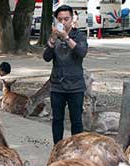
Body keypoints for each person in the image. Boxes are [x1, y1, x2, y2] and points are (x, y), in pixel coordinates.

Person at [43, 4, 88, 144]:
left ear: (71, 19)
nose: (63, 22)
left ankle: (77, 149)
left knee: (76, 121)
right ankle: (57, 148)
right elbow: (46, 57)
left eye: (66, 19)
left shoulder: (79, 35)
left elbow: (81, 52)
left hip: (75, 86)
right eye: (60, 19)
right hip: (57, 86)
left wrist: (67, 38)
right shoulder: (54, 37)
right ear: (56, 20)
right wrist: (52, 40)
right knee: (57, 120)